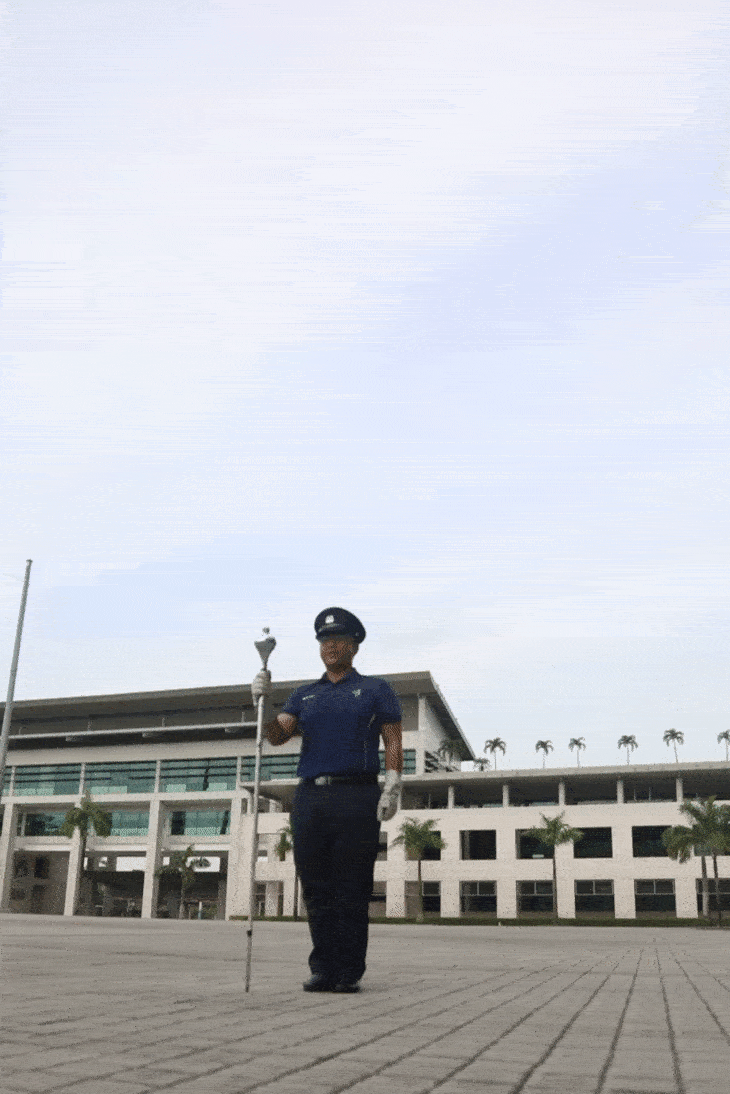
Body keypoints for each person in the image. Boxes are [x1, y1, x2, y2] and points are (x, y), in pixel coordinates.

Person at [260, 607, 402, 993]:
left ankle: (349, 970)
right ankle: (323, 966)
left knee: (352, 884)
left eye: (339, 640)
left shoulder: (375, 689)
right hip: (310, 796)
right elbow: (276, 736)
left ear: (354, 646)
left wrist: (393, 782)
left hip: (356, 794)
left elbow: (392, 739)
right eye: (325, 640)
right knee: (316, 885)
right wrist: (263, 703)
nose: (331, 646)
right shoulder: (305, 695)